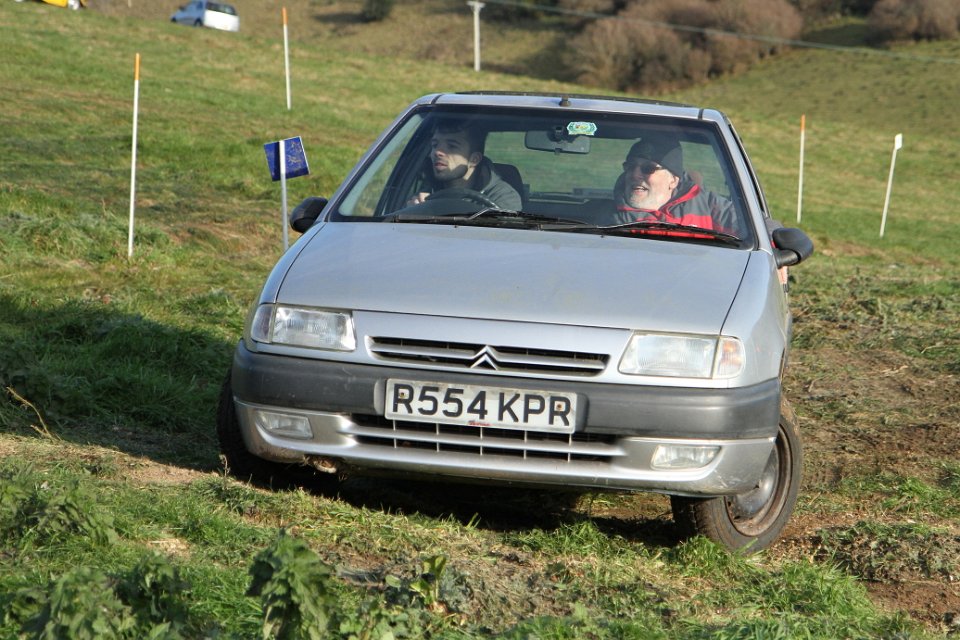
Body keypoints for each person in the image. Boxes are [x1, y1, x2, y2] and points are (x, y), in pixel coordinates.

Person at [610, 133, 737, 234]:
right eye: (630, 166)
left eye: (648, 168)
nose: (634, 174)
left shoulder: (707, 204)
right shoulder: (605, 221)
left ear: (673, 180)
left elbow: (748, 231)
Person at [407, 118, 522, 210]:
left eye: (452, 146)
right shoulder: (424, 194)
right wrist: (412, 215)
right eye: (435, 145)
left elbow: (500, 237)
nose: (437, 152)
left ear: (474, 159)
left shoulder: (503, 198)